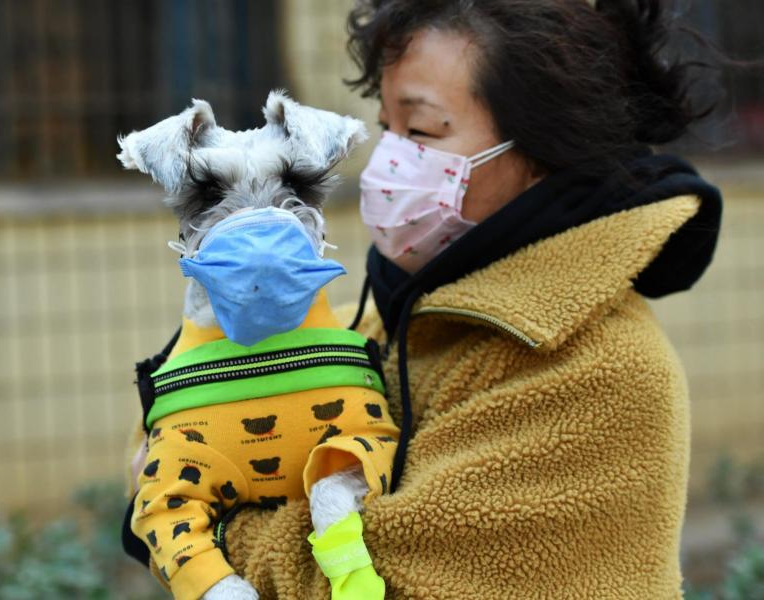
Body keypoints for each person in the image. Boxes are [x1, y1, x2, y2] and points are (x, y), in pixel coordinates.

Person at [125, 0, 725, 597]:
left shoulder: (606, 376)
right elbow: (185, 427)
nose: (387, 163)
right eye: (387, 128)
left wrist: (191, 536)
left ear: (545, 154)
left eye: (422, 131)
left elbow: (389, 582)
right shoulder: (388, 323)